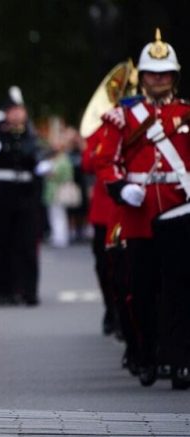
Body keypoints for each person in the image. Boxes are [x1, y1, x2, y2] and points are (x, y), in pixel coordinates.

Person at [96, 29, 190, 389]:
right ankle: (147, 354)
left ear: (174, 77)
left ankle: (180, 360)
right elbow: (106, 159)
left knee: (179, 289)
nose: (159, 79)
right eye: (153, 73)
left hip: (179, 211)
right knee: (141, 288)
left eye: (165, 73)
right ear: (144, 76)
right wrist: (122, 187)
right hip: (138, 214)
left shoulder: (185, 113)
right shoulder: (124, 115)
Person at [0, 86, 49, 305]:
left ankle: (28, 290)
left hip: (25, 194)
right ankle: (4, 290)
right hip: (1, 196)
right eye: (13, 110)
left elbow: (37, 160)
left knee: (26, 244)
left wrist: (41, 166)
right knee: (2, 244)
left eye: (20, 109)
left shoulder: (31, 135)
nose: (17, 114)